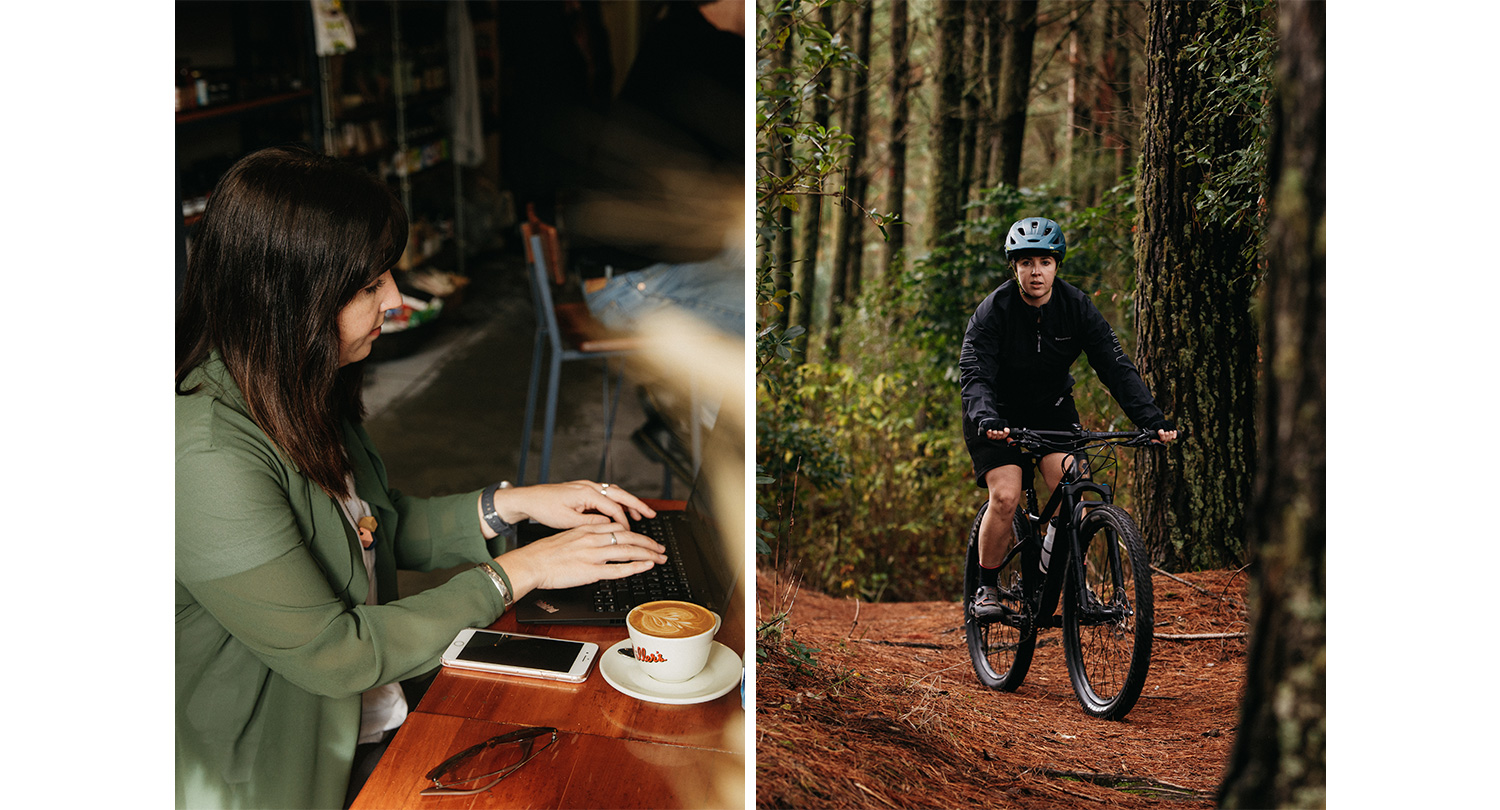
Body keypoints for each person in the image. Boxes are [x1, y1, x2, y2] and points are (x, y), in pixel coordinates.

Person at [175, 147, 668, 810]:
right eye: (369, 285)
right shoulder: (205, 459)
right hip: (278, 774)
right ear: (287, 295)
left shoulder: (294, 388)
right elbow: (333, 652)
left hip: (372, 718)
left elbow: (371, 527)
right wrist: (518, 573)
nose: (397, 301)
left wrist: (513, 506)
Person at [959, 217, 1178, 621]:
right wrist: (986, 416)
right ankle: (986, 586)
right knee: (1006, 496)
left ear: (1056, 265)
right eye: (1026, 263)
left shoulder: (1076, 307)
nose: (1036, 271)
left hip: (1051, 411)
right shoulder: (994, 311)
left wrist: (1151, 419)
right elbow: (975, 375)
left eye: (1044, 261)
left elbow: (1114, 365)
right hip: (997, 414)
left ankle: (1052, 578)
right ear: (1015, 267)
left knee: (1071, 491)